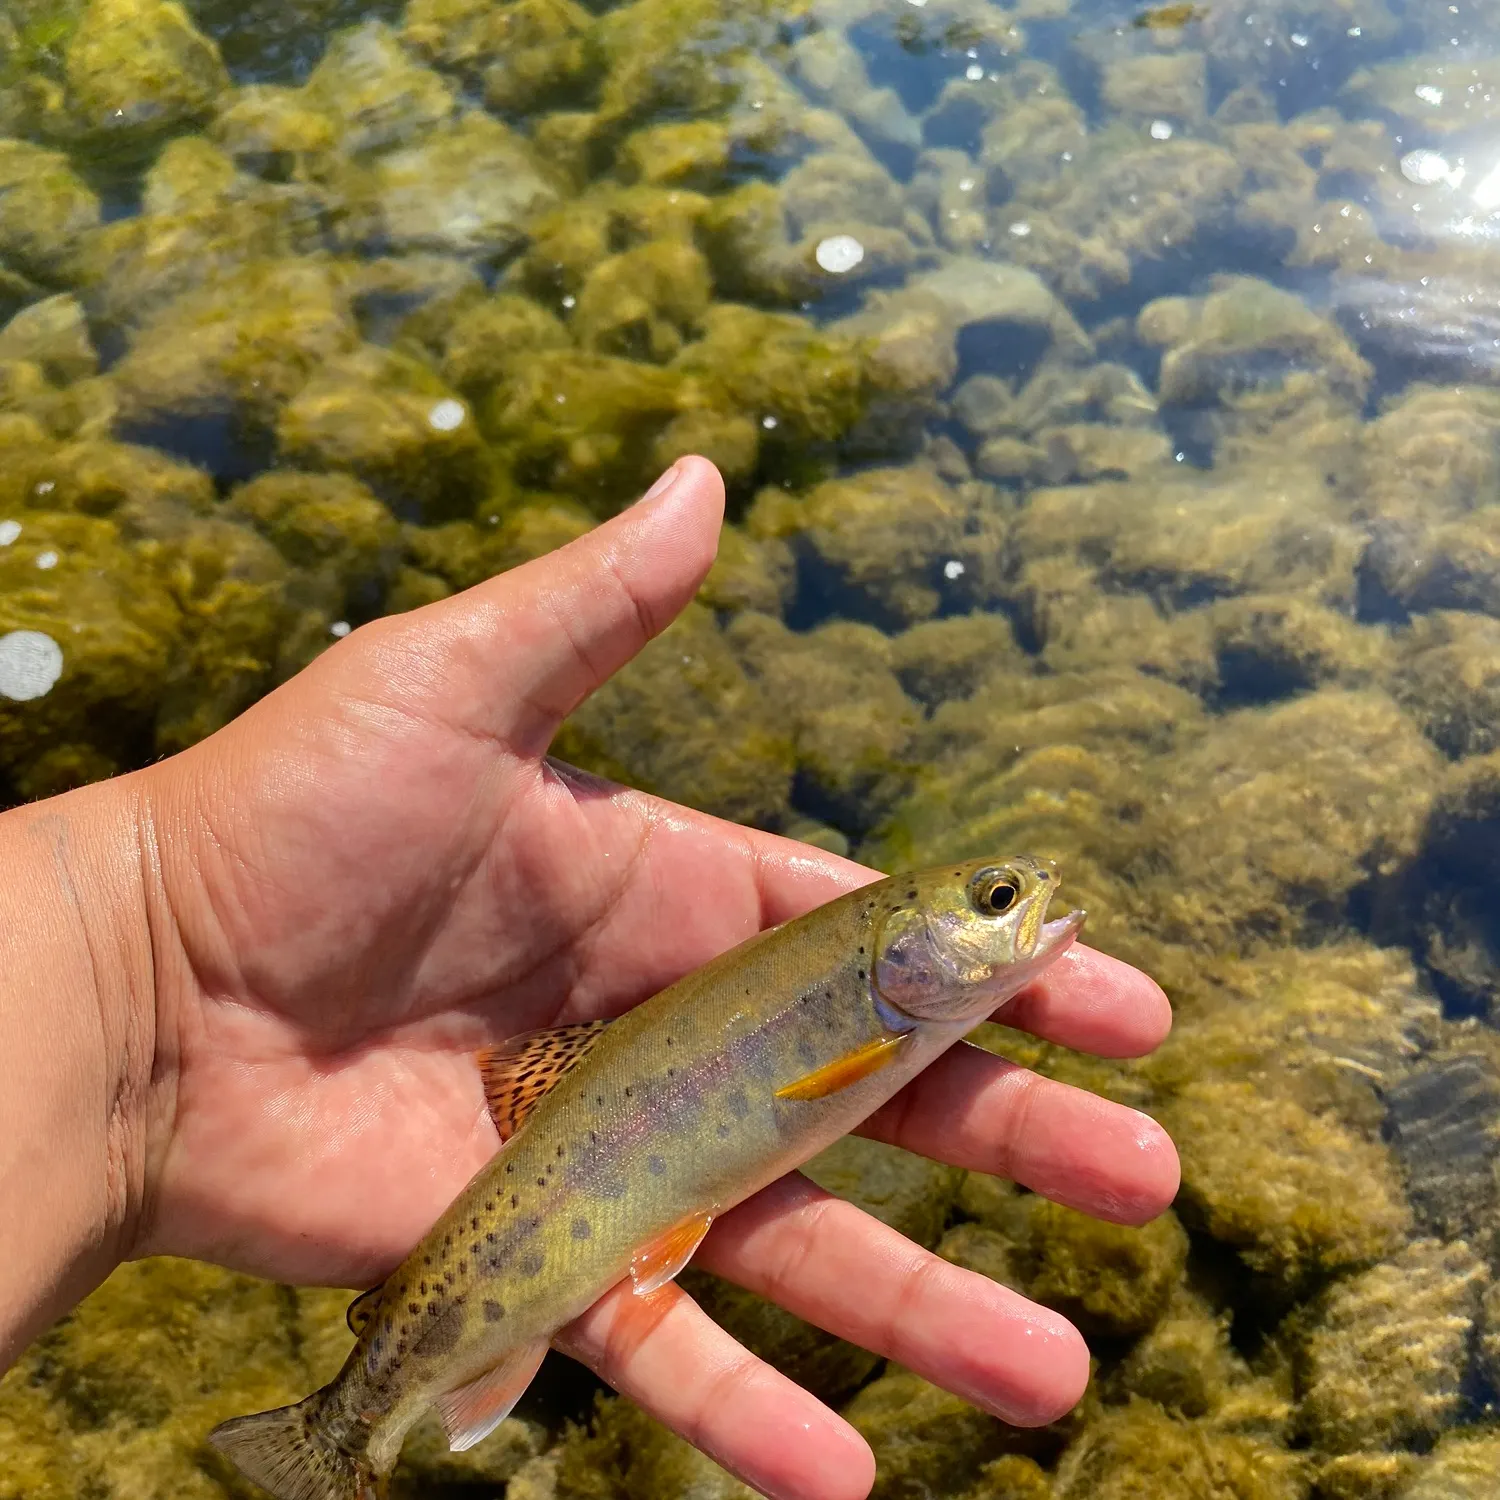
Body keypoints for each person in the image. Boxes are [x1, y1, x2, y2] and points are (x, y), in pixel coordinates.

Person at [0, 457, 1179, 1500]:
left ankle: (350, 1425)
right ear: (898, 951)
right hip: (563, 1187)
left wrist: (139, 968)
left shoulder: (895, 1019)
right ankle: (341, 1434)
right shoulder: (879, 1023)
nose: (1015, 908)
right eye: (991, 903)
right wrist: (147, 954)